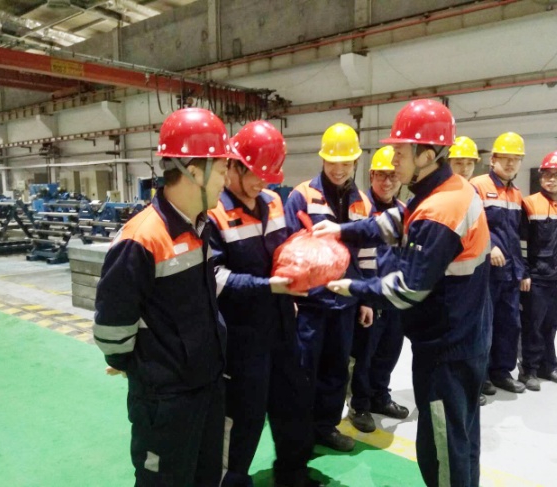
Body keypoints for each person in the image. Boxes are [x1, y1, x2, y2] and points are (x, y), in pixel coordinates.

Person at [319, 99, 492, 487]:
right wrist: (342, 230)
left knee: (443, 447)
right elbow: (397, 221)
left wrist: (351, 287)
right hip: (465, 335)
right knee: (462, 436)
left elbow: (407, 289)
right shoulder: (446, 188)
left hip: (446, 349)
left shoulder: (441, 210)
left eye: (400, 152)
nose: (393, 160)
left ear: (427, 155)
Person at [93, 107, 239, 486]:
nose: (226, 180)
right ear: (194, 171)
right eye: (222, 170)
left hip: (207, 387)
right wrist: (136, 364)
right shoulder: (141, 239)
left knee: (206, 476)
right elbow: (111, 327)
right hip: (166, 402)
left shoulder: (201, 226)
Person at [207, 120, 321, 487]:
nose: (263, 183)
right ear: (233, 165)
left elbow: (283, 250)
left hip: (283, 325)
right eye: (256, 174)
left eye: (269, 176)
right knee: (243, 415)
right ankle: (230, 480)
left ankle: (292, 474)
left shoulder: (273, 201)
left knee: (293, 404)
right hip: (242, 336)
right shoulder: (213, 213)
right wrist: (266, 286)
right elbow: (214, 278)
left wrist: (305, 258)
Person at [284, 122, 373, 452]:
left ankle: (325, 427)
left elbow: (366, 255)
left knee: (337, 369)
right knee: (304, 369)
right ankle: (298, 431)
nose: (339, 169)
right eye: (333, 162)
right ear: (322, 159)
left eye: (346, 163)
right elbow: (287, 248)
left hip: (345, 302)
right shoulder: (302, 195)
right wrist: (291, 296)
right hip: (310, 304)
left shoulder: (362, 202)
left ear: (355, 162)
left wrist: (365, 298)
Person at [348, 146, 409, 433]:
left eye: (393, 176)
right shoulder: (359, 209)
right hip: (369, 297)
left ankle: (379, 396)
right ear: (371, 175)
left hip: (395, 297)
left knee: (389, 351)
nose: (387, 182)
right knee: (364, 355)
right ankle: (359, 404)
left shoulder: (404, 212)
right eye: (381, 175)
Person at [518, 150, 557, 391]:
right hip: (537, 277)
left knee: (552, 324)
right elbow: (522, 243)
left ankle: (549, 366)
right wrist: (524, 273)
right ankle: (529, 369)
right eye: (547, 174)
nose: (551, 179)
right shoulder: (529, 203)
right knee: (532, 324)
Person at [471, 132, 526, 394]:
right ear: (493, 159)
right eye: (505, 158)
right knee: (484, 326)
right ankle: (480, 377)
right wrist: (489, 246)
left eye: (516, 159)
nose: (511, 163)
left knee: (509, 324)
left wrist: (522, 270)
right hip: (487, 271)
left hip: (510, 272)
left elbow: (516, 235)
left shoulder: (516, 193)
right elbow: (472, 223)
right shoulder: (478, 186)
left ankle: (501, 372)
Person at [447, 135, 489, 407]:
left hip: (475, 281)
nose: (463, 169)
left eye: (468, 163)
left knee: (474, 339)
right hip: (450, 286)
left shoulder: (474, 195)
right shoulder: (443, 198)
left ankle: (471, 387)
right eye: (458, 163)